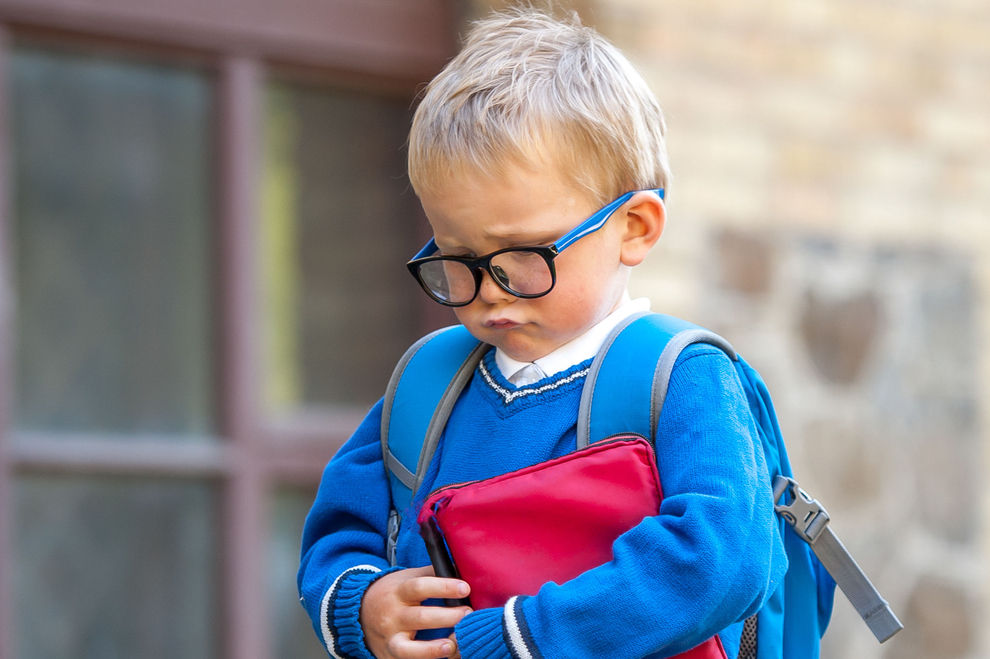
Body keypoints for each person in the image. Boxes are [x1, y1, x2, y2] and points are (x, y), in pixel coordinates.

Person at [298, 8, 786, 659]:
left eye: (523, 254)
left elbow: (720, 559)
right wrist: (363, 603)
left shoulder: (681, 379)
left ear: (635, 227)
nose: (489, 288)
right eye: (456, 258)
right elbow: (340, 534)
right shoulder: (428, 387)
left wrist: (523, 638)